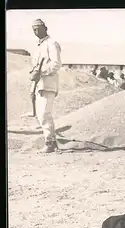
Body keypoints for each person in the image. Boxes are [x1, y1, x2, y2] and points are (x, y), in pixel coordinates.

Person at [29, 19, 62, 153]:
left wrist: (41, 72)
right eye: (34, 29)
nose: (36, 31)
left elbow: (56, 64)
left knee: (44, 114)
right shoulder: (37, 46)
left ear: (45, 28)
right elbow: (35, 67)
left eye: (38, 28)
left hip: (48, 84)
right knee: (41, 115)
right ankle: (51, 142)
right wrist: (33, 74)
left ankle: (50, 143)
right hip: (38, 85)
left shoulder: (52, 43)